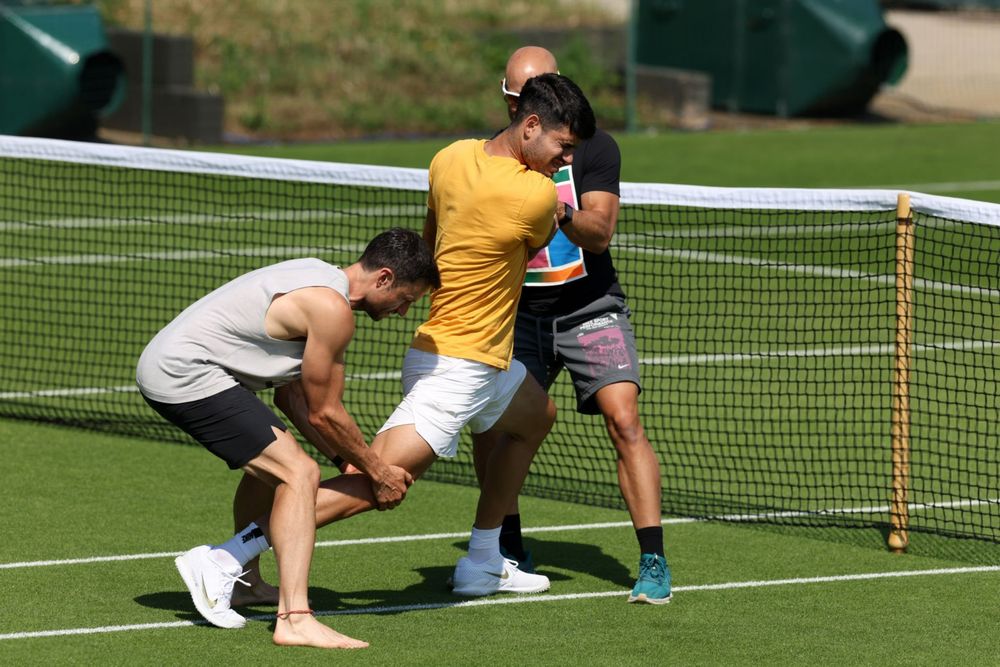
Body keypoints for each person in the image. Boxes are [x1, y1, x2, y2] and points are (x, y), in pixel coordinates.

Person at [188, 73, 597, 647]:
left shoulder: (449, 158)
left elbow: (433, 244)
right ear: (530, 126)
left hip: (473, 358)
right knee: (375, 483)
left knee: (536, 418)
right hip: (460, 367)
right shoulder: (535, 196)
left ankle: (483, 558)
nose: (563, 161)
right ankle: (227, 557)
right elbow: (535, 248)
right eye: (563, 147)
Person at [136, 227, 440, 650]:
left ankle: (244, 583)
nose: (405, 311)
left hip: (186, 367)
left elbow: (292, 396)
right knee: (298, 473)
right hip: (185, 374)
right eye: (406, 299)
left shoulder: (320, 277)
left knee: (271, 469)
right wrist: (378, 470)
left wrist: (345, 462)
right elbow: (325, 411)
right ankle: (294, 618)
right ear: (384, 278)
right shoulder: (332, 310)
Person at [472, 46, 672, 605]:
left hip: (589, 308)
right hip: (515, 315)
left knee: (624, 418)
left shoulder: (592, 147)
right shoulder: (490, 155)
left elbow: (600, 232)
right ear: (511, 102)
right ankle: (503, 547)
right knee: (492, 428)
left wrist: (553, 208)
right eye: (516, 97)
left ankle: (652, 558)